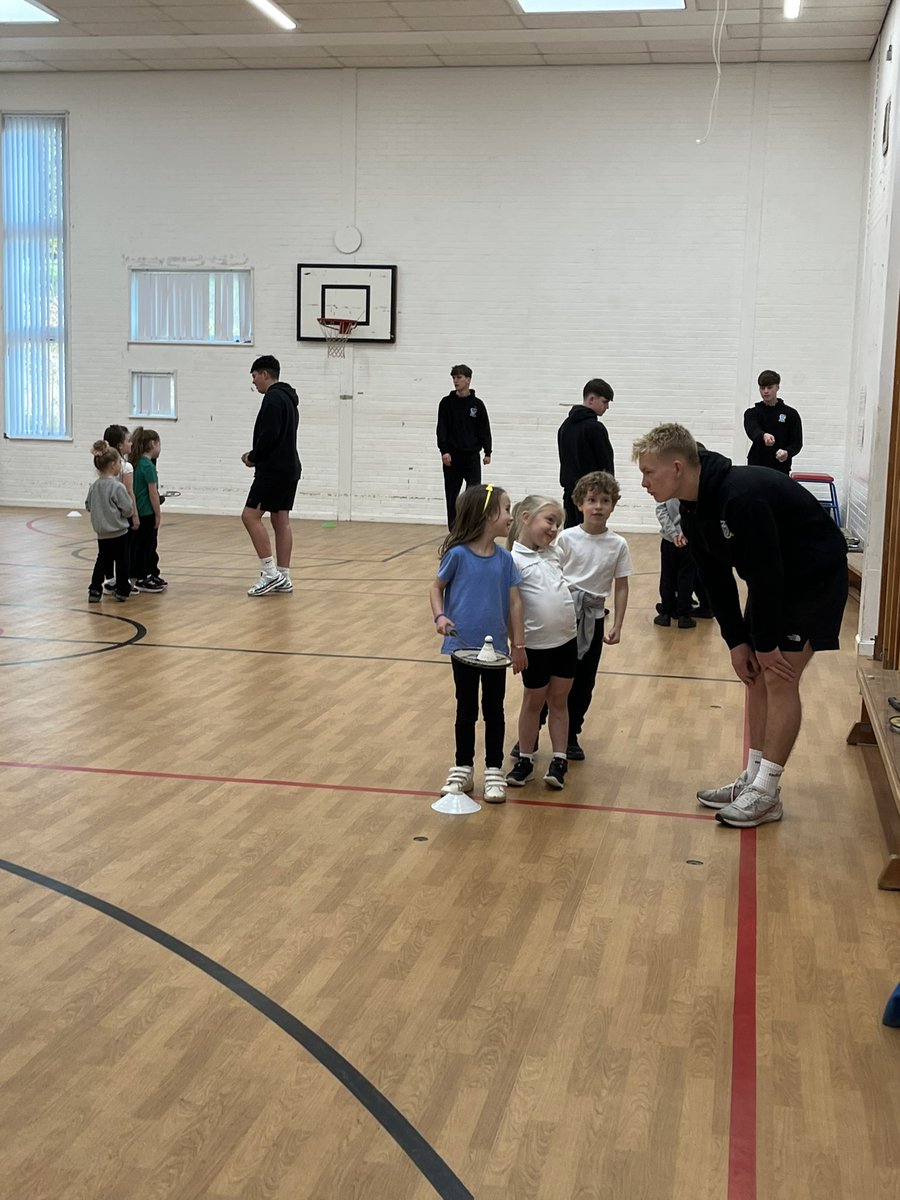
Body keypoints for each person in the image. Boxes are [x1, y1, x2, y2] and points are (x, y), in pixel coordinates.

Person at [633, 422, 848, 829]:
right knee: (754, 674)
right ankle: (752, 777)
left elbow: (767, 575)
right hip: (777, 582)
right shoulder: (695, 507)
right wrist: (737, 642)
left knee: (779, 676)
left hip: (813, 580)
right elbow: (714, 578)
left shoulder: (741, 497)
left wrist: (764, 643)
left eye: (648, 472)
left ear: (677, 467)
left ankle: (767, 792)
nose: (643, 482)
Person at [429, 483, 525, 804]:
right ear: (487, 515)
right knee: (466, 708)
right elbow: (436, 588)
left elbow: (514, 605)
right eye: (507, 509)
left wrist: (519, 645)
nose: (511, 517)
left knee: (494, 710)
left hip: (496, 652)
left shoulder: (505, 560)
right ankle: (463, 767)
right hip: (462, 648)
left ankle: (494, 769)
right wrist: (440, 617)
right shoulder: (457, 556)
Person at [554, 470, 631, 760]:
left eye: (605, 500)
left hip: (594, 619)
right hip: (562, 617)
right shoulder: (566, 539)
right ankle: (533, 731)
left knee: (584, 680)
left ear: (613, 505)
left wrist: (619, 624)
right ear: (579, 504)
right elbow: (552, 576)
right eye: (591, 500)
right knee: (553, 676)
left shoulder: (618, 544)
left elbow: (621, 586)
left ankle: (571, 733)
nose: (598, 506)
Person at [505, 496, 577, 791]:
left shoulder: (554, 553)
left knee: (559, 702)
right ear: (525, 517)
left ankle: (559, 760)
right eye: (549, 520)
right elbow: (511, 606)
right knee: (533, 702)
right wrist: (517, 645)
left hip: (566, 642)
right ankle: (525, 758)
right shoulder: (512, 560)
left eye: (558, 524)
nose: (554, 529)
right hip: (534, 646)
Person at [241, 354, 301, 596]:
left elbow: (270, 436)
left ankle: (270, 573)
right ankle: (283, 576)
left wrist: (253, 457)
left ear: (265, 374)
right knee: (280, 520)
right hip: (290, 468)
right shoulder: (288, 399)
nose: (254, 382)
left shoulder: (273, 399)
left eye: (254, 376)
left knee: (249, 516)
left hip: (273, 470)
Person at [435, 365, 492, 529]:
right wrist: (444, 450)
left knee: (474, 495)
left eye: (459, 378)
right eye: (453, 378)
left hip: (471, 456)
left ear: (468, 380)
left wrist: (487, 451)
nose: (456, 381)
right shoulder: (446, 403)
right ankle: (454, 531)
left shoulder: (477, 405)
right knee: (452, 496)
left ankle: (471, 528)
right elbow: (442, 428)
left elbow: (484, 429)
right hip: (452, 457)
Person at [557, 379, 615, 528]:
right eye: (605, 402)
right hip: (591, 498)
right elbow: (606, 465)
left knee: (571, 540)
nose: (607, 407)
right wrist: (609, 494)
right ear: (591, 399)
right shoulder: (595, 428)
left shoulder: (564, 426)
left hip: (570, 497)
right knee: (592, 541)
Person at [85, 440, 133, 603]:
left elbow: (88, 505)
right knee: (122, 561)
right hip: (119, 532)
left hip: (102, 533)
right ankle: (122, 590)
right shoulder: (117, 487)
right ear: (113, 464)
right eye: (119, 462)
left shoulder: (94, 486)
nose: (120, 465)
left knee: (102, 560)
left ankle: (95, 590)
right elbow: (127, 509)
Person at [653, 498, 709, 629]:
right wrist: (684, 533)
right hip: (688, 541)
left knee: (667, 576)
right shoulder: (689, 489)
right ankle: (684, 615)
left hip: (669, 541)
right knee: (686, 577)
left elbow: (661, 511)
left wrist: (673, 534)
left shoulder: (664, 489)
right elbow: (696, 512)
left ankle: (666, 613)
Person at [100, 424, 139, 593]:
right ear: (119, 445)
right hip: (121, 514)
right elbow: (130, 493)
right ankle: (122, 583)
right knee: (123, 550)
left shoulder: (101, 465)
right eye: (128, 441)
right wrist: (135, 514)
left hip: (104, 514)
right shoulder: (125, 466)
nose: (131, 444)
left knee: (105, 549)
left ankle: (108, 579)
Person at [744, 369, 802, 474]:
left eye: (769, 387)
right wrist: (763, 435)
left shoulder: (791, 414)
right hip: (756, 465)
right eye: (762, 388)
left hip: (781, 467)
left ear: (777, 387)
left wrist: (787, 452)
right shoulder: (752, 413)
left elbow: (796, 443)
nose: (765, 391)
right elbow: (752, 429)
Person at [129, 427, 166, 593]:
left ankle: (145, 575)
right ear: (153, 444)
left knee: (142, 545)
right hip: (147, 512)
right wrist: (158, 514)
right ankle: (143, 578)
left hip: (139, 512)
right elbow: (153, 493)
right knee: (146, 546)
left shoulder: (137, 464)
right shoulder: (148, 466)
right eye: (159, 444)